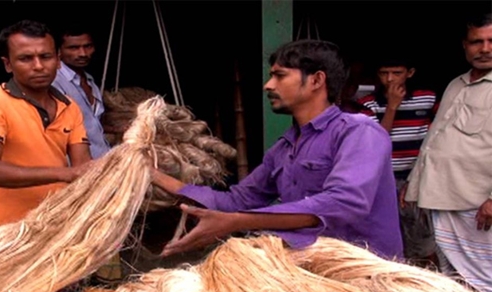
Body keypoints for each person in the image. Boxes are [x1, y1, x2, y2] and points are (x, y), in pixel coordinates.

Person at [152, 39, 403, 259]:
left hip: (367, 281)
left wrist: (236, 222)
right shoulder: (284, 148)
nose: (268, 85)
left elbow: (343, 203)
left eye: (280, 76)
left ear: (317, 80)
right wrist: (151, 175)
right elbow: (237, 201)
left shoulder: (359, 132)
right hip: (313, 275)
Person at [0, 20, 92, 235]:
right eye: (26, 58)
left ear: (58, 61)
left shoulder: (69, 107)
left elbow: (84, 169)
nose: (39, 66)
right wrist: (65, 174)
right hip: (7, 236)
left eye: (46, 57)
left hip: (58, 229)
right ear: (8, 64)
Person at [403, 13, 492, 292]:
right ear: (465, 46)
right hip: (441, 198)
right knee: (454, 279)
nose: (485, 48)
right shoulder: (456, 83)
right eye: (477, 42)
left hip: (477, 205)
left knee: (484, 278)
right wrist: (413, 184)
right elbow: (434, 139)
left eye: (491, 41)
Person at [357, 56, 439, 267]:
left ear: (409, 73)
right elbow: (377, 140)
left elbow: (441, 134)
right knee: (387, 239)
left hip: (417, 179)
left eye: (396, 73)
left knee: (422, 240)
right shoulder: (368, 103)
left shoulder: (427, 98)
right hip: (383, 181)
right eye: (384, 73)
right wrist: (392, 107)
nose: (390, 79)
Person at [52, 26, 111, 159]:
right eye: (73, 48)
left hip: (103, 159)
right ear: (59, 51)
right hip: (76, 166)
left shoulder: (90, 81)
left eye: (87, 46)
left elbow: (92, 124)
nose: (83, 53)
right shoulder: (54, 83)